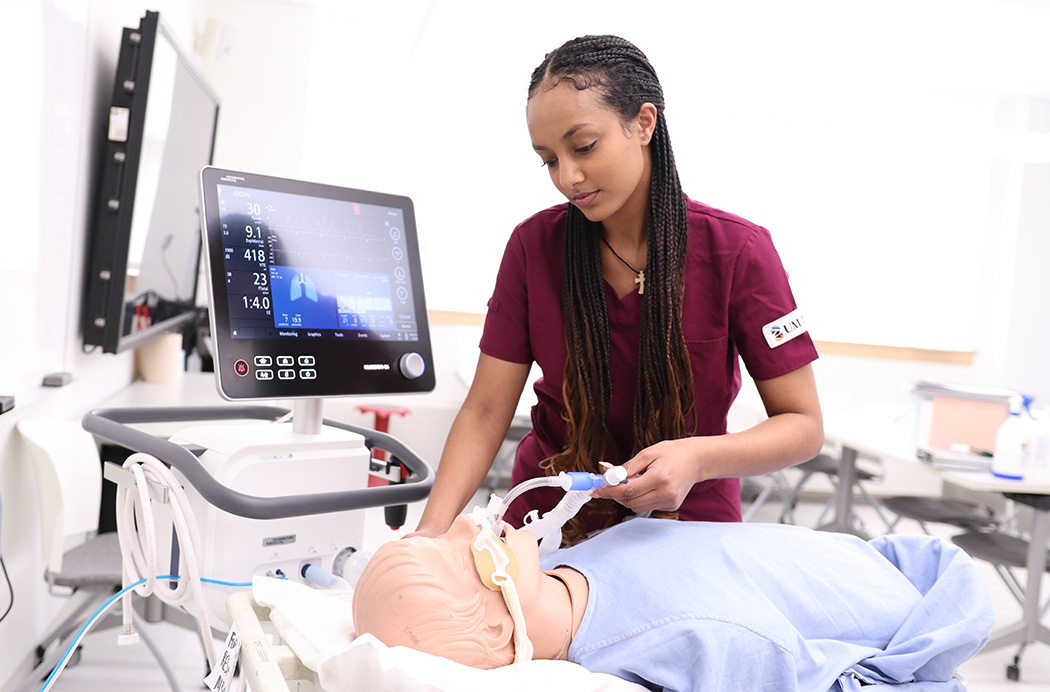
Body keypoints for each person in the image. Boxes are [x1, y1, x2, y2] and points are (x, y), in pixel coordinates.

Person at [413, 34, 823, 543]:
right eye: (549, 159)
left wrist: (697, 457)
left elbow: (803, 424)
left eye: (583, 146)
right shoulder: (534, 247)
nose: (569, 176)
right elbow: (484, 411)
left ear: (644, 123)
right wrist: (428, 534)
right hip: (549, 527)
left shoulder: (737, 251)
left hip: (685, 532)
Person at [353, 515, 994, 691]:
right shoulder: (688, 639)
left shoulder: (561, 571)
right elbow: (806, 672)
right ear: (496, 632)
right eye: (454, 557)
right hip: (901, 612)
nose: (468, 529)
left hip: (884, 569)